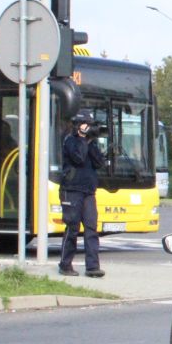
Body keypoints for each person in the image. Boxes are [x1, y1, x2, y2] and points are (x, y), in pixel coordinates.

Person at [59, 110, 107, 278]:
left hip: (88, 191)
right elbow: (78, 158)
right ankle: (65, 265)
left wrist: (91, 140)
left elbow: (99, 162)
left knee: (91, 228)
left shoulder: (90, 143)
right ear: (79, 126)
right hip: (72, 190)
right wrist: (81, 138)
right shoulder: (70, 141)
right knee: (72, 228)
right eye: (87, 124)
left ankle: (93, 267)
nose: (89, 128)